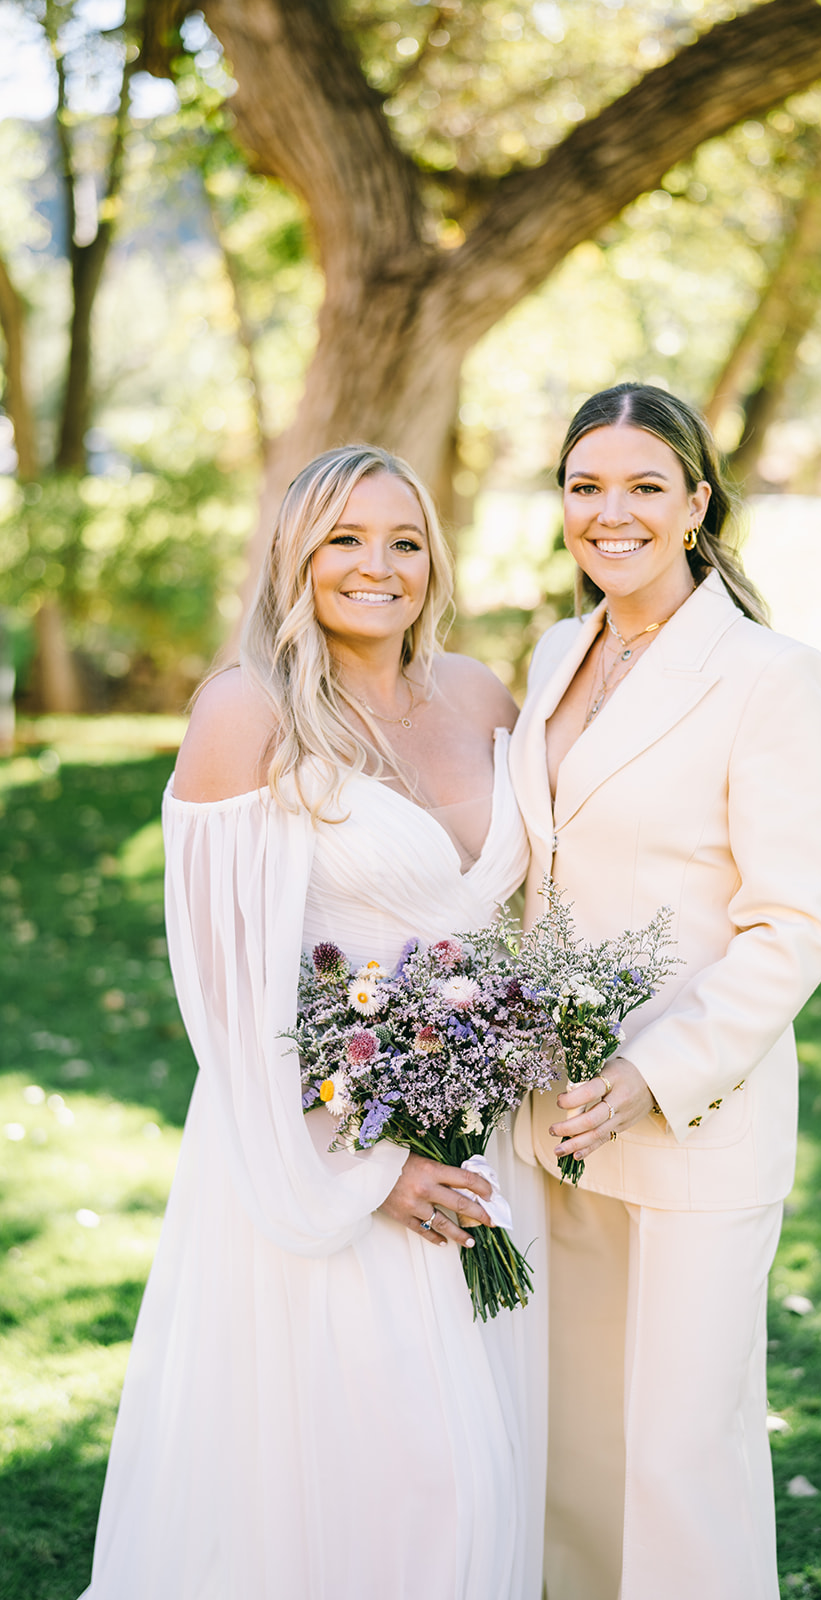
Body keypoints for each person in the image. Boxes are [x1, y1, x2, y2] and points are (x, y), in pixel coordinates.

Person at [80, 445, 545, 1600]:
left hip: (479, 1145)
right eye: (344, 538)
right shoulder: (246, 712)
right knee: (378, 1480)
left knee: (480, 1466)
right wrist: (369, 1172)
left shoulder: (484, 696)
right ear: (295, 553)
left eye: (402, 539)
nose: (376, 566)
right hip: (320, 1154)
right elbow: (224, 990)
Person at [509, 383, 821, 1600]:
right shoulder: (554, 653)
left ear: (696, 505)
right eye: (585, 485)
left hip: (689, 1126)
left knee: (674, 1462)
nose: (612, 512)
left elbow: (789, 926)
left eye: (644, 485)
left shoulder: (770, 677)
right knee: (574, 1448)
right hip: (548, 1124)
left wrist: (651, 1075)